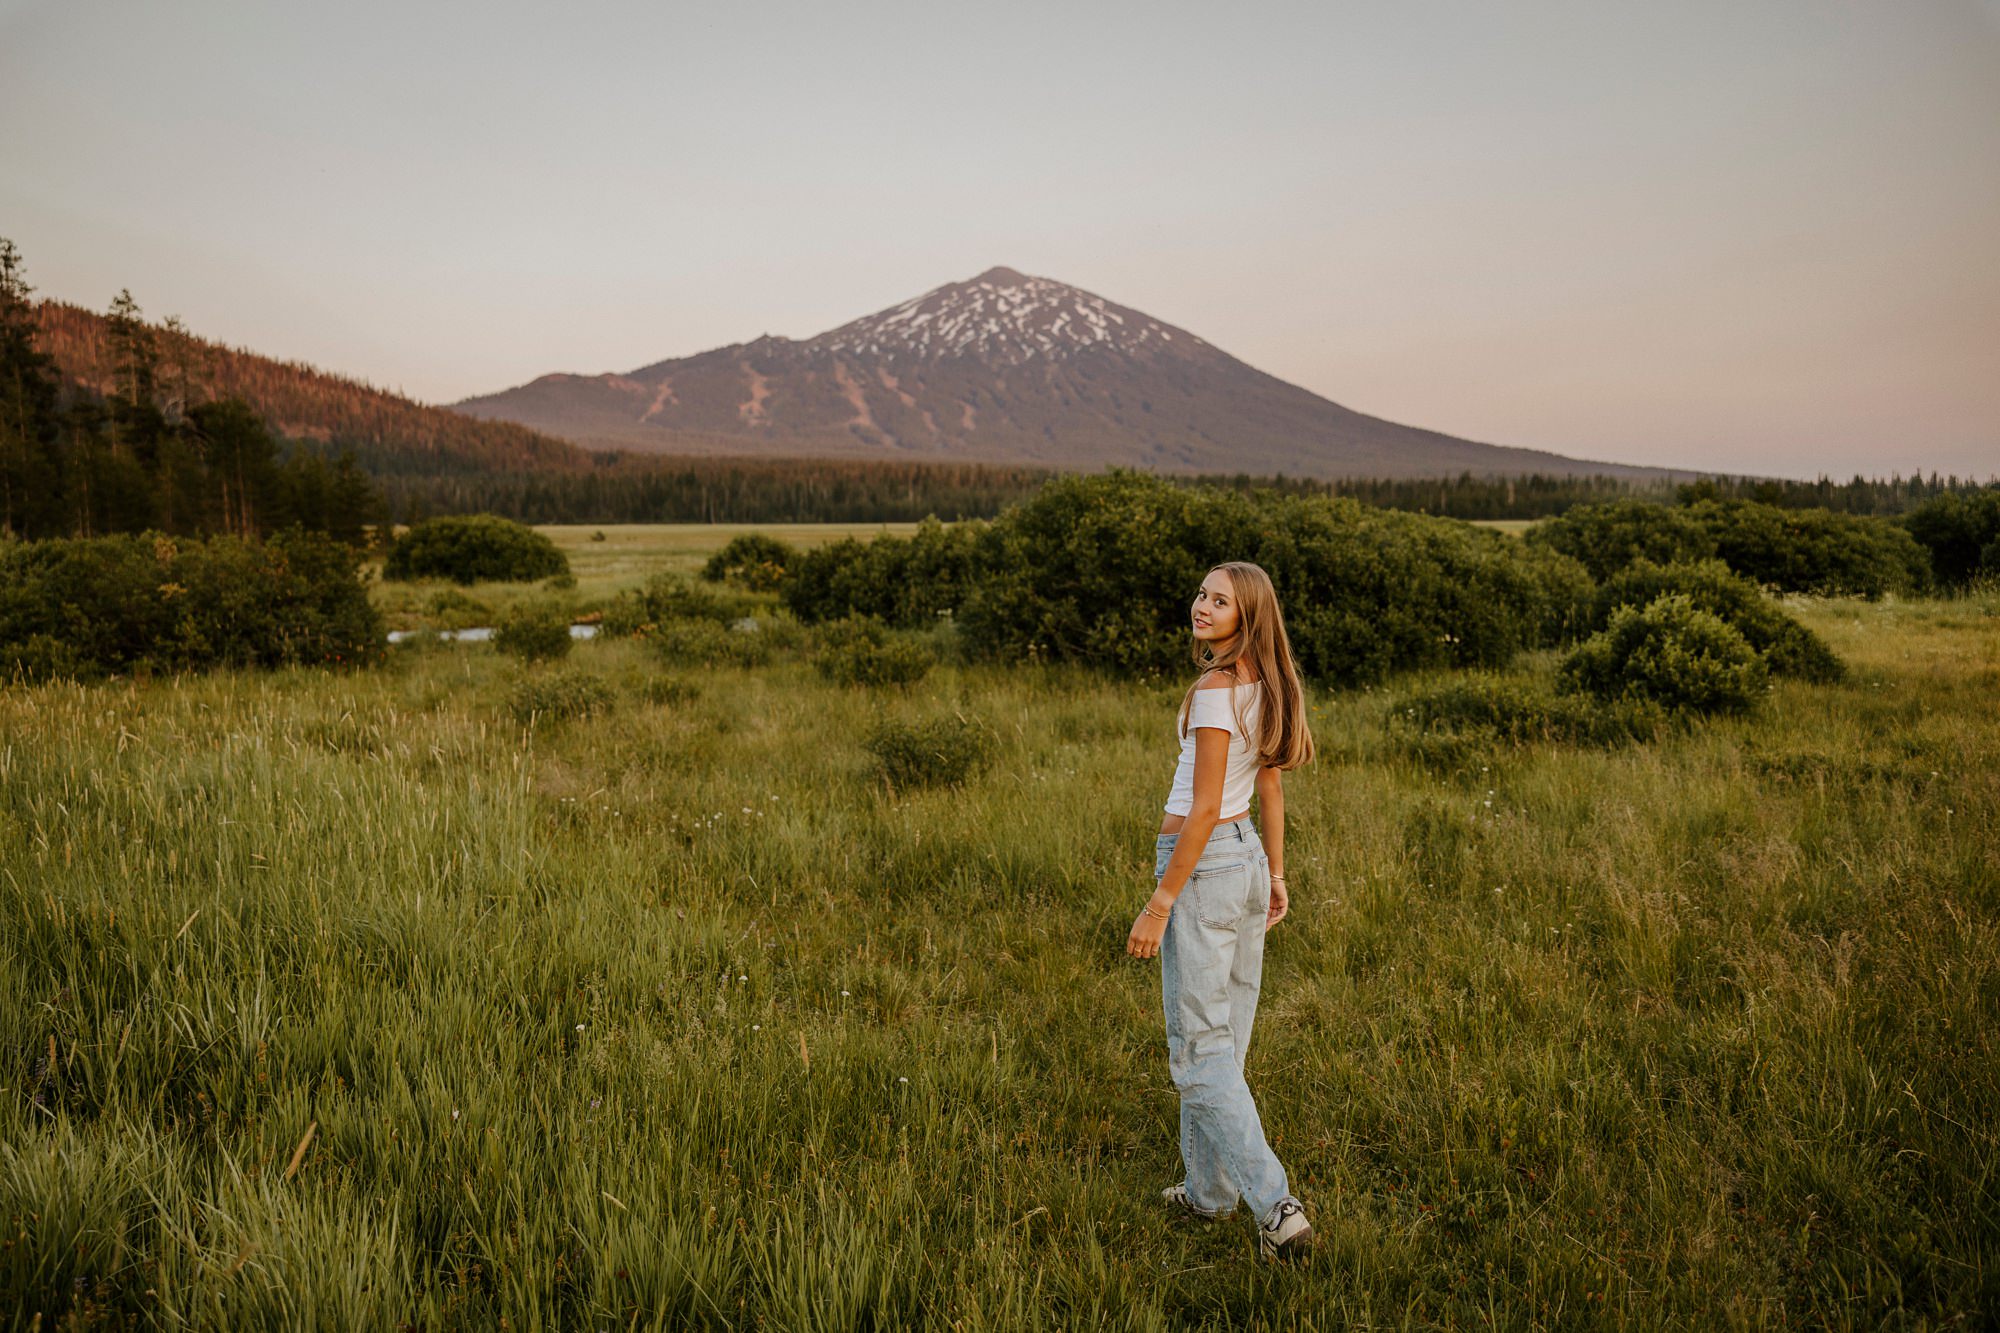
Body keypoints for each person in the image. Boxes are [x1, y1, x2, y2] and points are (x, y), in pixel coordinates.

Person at [1126, 560, 1317, 1262]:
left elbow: (1204, 807)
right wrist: (1275, 871)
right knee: (1225, 1038)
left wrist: (1159, 900)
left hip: (1203, 866)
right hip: (1243, 862)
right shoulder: (1264, 683)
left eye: (1221, 600)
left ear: (1248, 616)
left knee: (1199, 1052)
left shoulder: (1214, 689)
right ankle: (1209, 1193)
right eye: (1202, 594)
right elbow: (1268, 787)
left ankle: (1276, 1205)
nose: (1203, 606)